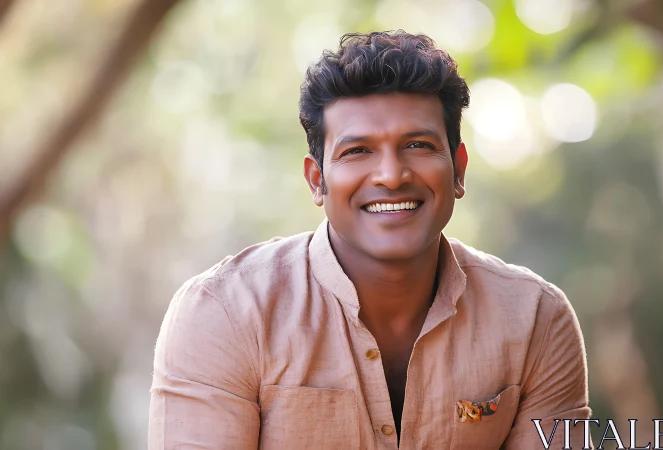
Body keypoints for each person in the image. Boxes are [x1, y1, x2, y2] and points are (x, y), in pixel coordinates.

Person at [148, 30, 591, 449]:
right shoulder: (225, 314)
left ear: (458, 168)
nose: (391, 176)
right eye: (357, 151)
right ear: (317, 180)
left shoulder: (535, 321)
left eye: (417, 145)